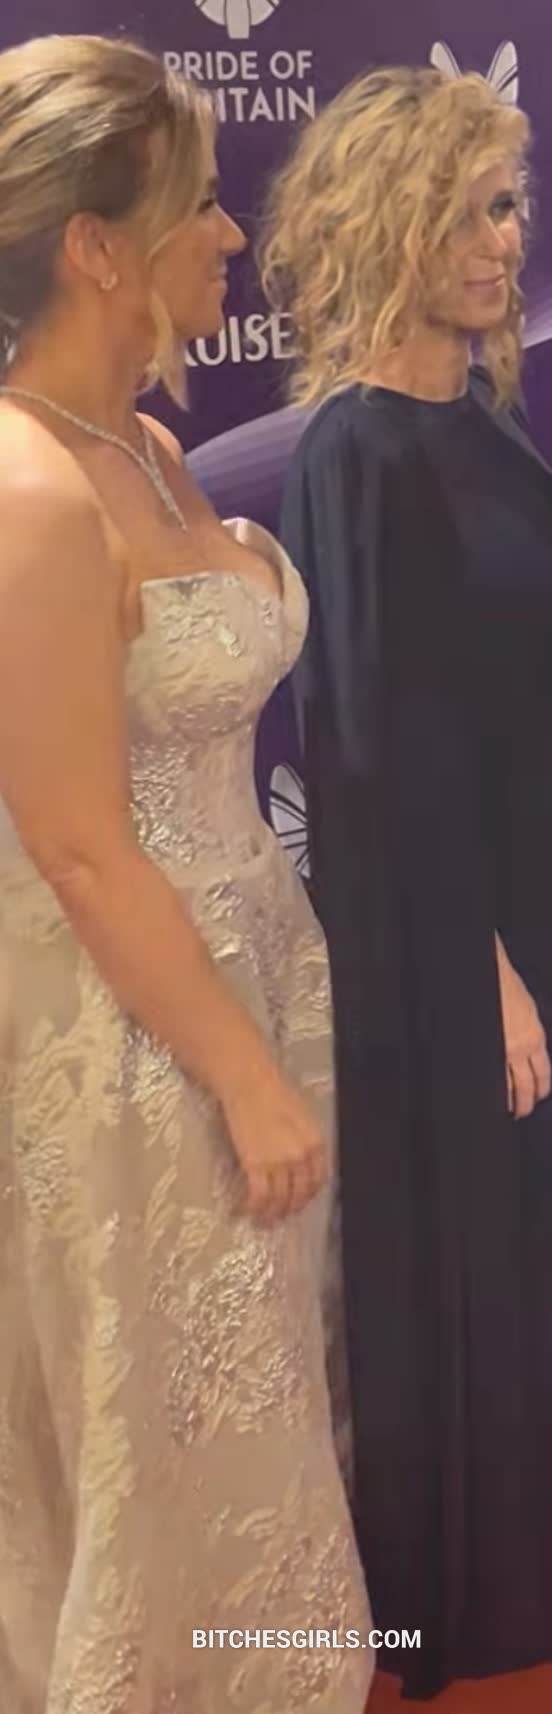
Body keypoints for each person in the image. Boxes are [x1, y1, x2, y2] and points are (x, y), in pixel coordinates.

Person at [0, 35, 373, 1714]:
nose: (232, 235)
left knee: (243, 1420)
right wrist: (242, 1076)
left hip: (243, 985)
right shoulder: (27, 490)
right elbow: (80, 844)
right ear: (96, 245)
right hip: (142, 1043)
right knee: (166, 1441)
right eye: (200, 205)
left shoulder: (146, 444)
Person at [262, 65, 552, 1699]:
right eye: (470, 211)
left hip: (525, 889)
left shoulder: (481, 418)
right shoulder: (357, 450)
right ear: (391, 222)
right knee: (470, 1241)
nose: (504, 240)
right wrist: (483, 970)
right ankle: (463, 1603)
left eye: (512, 207)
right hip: (453, 931)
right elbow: (377, 754)